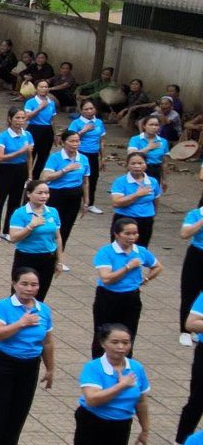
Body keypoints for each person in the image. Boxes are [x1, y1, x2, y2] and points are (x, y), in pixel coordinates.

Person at [0, 267, 55, 445]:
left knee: (21, 404)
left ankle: (8, 443)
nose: (29, 288)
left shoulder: (44, 310)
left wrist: (50, 368)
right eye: (24, 284)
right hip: (5, 359)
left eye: (34, 284)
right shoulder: (3, 306)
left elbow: (47, 341)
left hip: (31, 362)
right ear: (14, 284)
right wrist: (20, 323)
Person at [93, 218, 160, 355]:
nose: (132, 237)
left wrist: (146, 278)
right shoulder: (106, 252)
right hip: (108, 297)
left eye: (135, 233)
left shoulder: (140, 251)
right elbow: (106, 278)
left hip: (131, 298)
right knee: (103, 333)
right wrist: (128, 267)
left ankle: (125, 363)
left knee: (128, 334)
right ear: (117, 234)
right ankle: (99, 365)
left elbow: (157, 267)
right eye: (127, 233)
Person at [8, 180, 64, 298]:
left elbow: (57, 237)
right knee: (21, 295)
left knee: (40, 294)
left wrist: (59, 261)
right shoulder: (20, 213)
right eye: (40, 193)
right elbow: (13, 238)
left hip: (47, 258)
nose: (44, 196)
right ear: (29, 194)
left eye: (46, 193)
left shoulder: (53, 212)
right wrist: (30, 226)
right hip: (26, 258)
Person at [39, 133, 86, 254]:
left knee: (67, 226)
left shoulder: (83, 159)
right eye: (72, 141)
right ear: (64, 142)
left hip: (75, 194)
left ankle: (59, 255)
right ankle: (46, 251)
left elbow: (86, 181)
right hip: (57, 194)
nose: (75, 144)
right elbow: (45, 177)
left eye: (77, 141)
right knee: (53, 225)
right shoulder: (55, 158)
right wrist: (65, 170)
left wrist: (86, 200)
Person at [110, 151, 162, 245]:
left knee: (142, 248)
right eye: (133, 163)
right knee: (120, 248)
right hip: (124, 219)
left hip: (146, 220)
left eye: (140, 163)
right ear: (127, 165)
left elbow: (156, 199)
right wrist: (137, 195)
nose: (137, 166)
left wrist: (153, 213)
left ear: (146, 164)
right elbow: (116, 203)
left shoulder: (153, 182)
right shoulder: (121, 181)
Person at [67, 98, 107, 214]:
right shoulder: (76, 123)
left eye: (91, 108)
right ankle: (74, 202)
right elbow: (69, 138)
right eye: (86, 109)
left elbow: (101, 141)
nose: (89, 111)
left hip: (94, 154)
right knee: (78, 178)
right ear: (81, 110)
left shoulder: (99, 122)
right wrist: (84, 130)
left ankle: (90, 204)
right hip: (80, 154)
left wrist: (103, 157)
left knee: (93, 179)